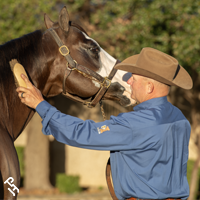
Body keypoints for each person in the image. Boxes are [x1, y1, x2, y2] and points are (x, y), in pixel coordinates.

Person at [16, 47, 193, 200]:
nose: (128, 81)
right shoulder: (179, 119)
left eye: (134, 78)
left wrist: (40, 105)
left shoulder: (137, 124)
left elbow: (82, 133)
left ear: (149, 87)